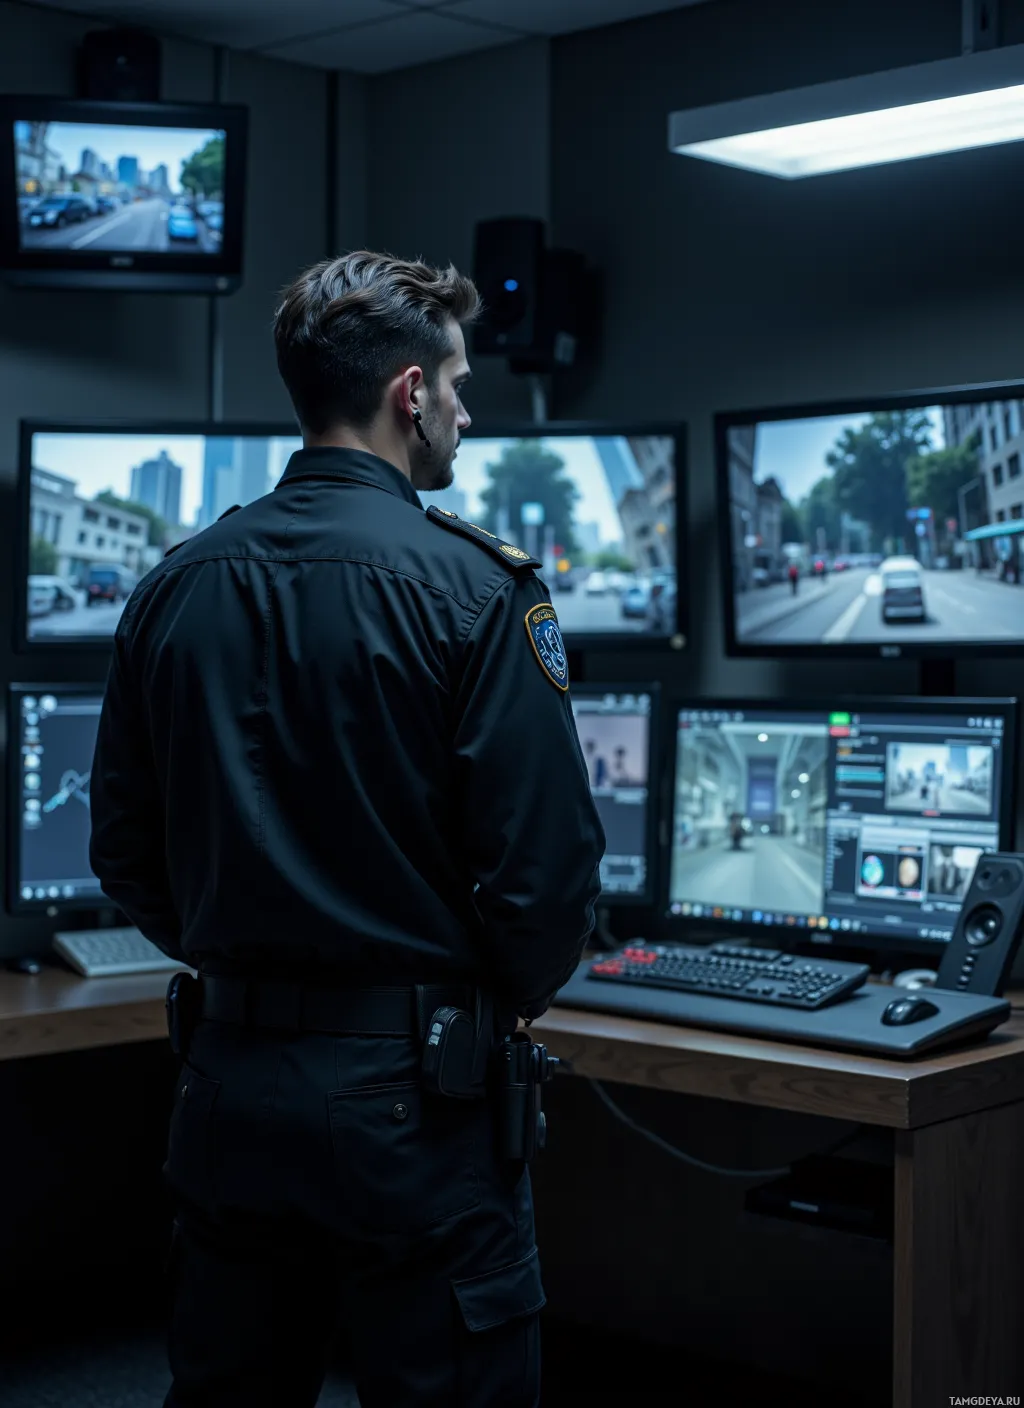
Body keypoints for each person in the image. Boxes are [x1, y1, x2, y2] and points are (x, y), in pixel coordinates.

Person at [89, 250, 606, 1408]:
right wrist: (465, 1004)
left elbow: (122, 847)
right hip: (415, 1100)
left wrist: (246, 959)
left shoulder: (175, 583)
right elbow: (547, 878)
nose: (466, 418)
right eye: (461, 388)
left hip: (225, 1084)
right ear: (409, 394)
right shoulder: (478, 589)